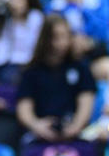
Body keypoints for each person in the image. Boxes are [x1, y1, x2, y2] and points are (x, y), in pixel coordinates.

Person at [16, 14, 98, 148]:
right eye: (56, 37)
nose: (62, 43)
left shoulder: (81, 68)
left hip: (74, 133)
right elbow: (24, 109)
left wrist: (75, 127)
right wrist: (36, 125)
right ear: (45, 39)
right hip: (40, 134)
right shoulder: (31, 72)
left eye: (66, 36)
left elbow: (86, 102)